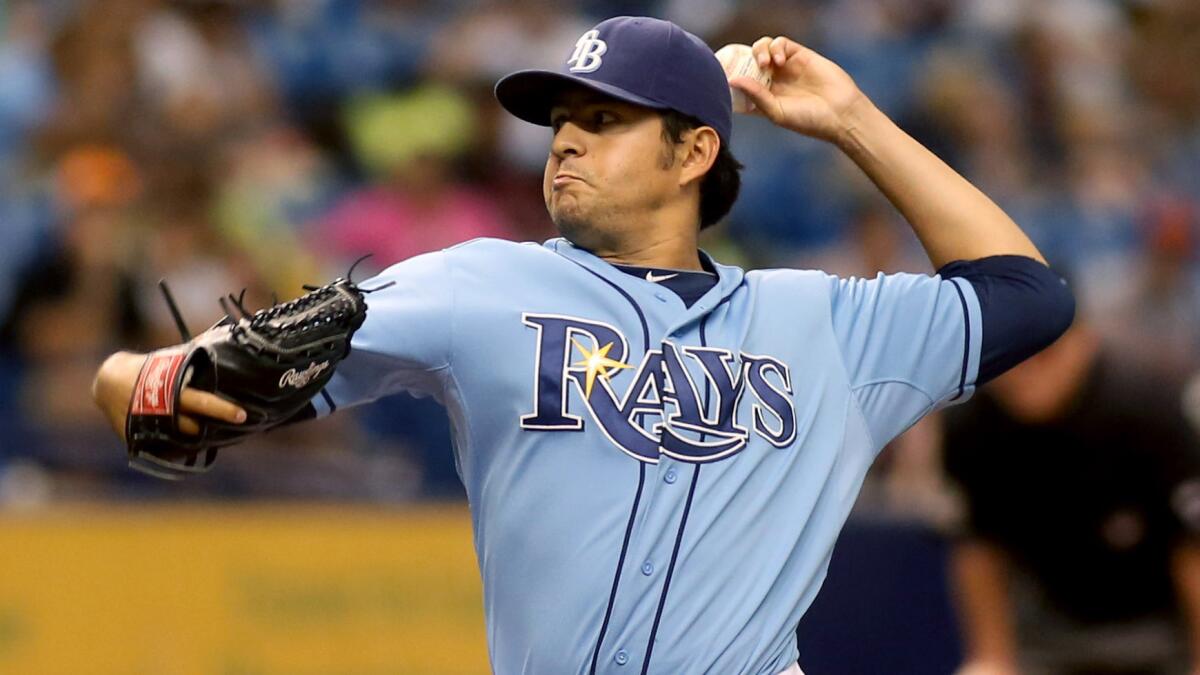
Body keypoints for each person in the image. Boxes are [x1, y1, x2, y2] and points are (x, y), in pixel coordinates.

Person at [93, 17, 1074, 674]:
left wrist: (852, 120)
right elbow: (185, 374)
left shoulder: (828, 325)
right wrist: (135, 385)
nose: (563, 141)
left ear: (693, 153)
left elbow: (1025, 297)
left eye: (603, 121)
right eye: (561, 122)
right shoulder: (478, 282)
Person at [944, 322, 1200, 675]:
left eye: (1044, 354)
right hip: (1044, 635)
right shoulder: (971, 426)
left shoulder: (1151, 412)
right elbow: (978, 549)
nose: (1025, 372)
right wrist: (991, 659)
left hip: (1160, 635)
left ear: (1084, 342)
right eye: (1007, 357)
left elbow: (1190, 549)